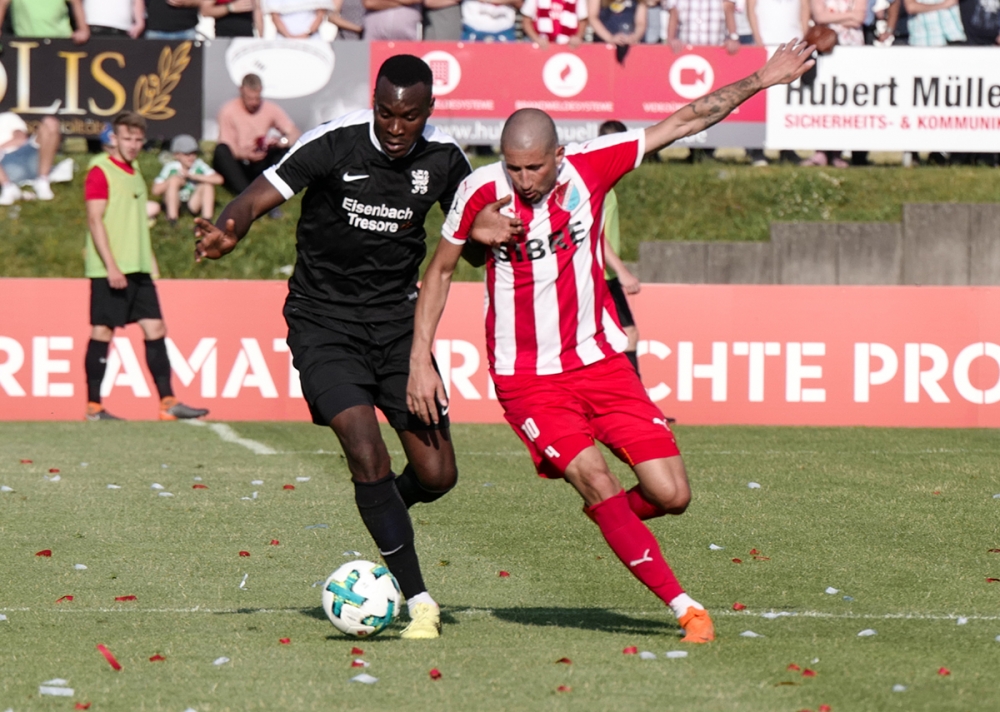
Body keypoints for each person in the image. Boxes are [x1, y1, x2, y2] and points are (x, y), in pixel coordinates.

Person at [407, 40, 815, 645]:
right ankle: (685, 608)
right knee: (596, 477)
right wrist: (420, 360)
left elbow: (685, 120)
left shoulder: (593, 164)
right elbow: (439, 271)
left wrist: (760, 78)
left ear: (559, 155)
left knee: (672, 495)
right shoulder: (480, 193)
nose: (523, 180)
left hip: (601, 362)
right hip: (527, 379)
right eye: (514, 168)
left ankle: (611, 516)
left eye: (534, 168)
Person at [193, 55, 473, 640]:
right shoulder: (334, 143)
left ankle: (383, 513)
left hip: (398, 329)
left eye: (409, 116)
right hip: (322, 323)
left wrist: (490, 235)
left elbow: (469, 242)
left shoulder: (445, 159)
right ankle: (419, 600)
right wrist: (228, 227)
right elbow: (257, 195)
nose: (395, 127)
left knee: (438, 474)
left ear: (429, 110)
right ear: (373, 104)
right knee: (365, 450)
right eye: (385, 113)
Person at [83, 112, 209, 422]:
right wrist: (111, 266)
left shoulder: (136, 170)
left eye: (139, 139)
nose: (133, 145)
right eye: (127, 138)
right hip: (112, 267)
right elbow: (95, 220)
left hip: (138, 267)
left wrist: (148, 258)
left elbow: (134, 221)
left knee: (156, 328)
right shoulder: (100, 170)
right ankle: (94, 406)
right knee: (103, 330)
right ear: (114, 138)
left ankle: (168, 402)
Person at [596, 120, 642, 375]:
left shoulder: (605, 181)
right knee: (626, 335)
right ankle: (633, 399)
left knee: (627, 335)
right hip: (599, 276)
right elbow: (593, 233)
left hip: (605, 275)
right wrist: (623, 272)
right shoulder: (598, 184)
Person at [212, 74, 301, 198]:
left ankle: (273, 189)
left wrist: (281, 142)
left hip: (261, 161)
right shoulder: (228, 110)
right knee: (221, 151)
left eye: (257, 98)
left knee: (282, 151)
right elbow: (226, 144)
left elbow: (294, 132)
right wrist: (246, 154)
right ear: (241, 91)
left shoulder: (270, 108)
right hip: (239, 161)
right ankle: (246, 194)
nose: (253, 103)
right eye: (249, 98)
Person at [152, 134, 224, 225]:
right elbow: (155, 190)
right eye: (186, 154)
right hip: (175, 201)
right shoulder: (170, 167)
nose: (191, 157)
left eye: (194, 153)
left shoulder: (198, 165)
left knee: (207, 184)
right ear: (177, 155)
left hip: (192, 202)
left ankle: (207, 219)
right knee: (174, 181)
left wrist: (194, 176)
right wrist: (173, 181)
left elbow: (219, 179)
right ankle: (172, 218)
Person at [0, 113, 63, 206]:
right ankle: (8, 188)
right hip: (5, 167)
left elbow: (20, 138)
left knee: (50, 123)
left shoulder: (7, 117)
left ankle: (43, 181)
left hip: (26, 155)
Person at [665, 0, 741, 54]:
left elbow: (729, 12)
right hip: (685, 52)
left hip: (716, 51)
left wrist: (733, 38)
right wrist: (672, 39)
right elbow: (673, 16)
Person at [0, 0, 89, 42]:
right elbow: (2, 4)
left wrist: (83, 29)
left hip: (60, 41)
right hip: (26, 43)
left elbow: (76, 3)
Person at [521, 0, 589, 45]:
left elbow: (583, 20)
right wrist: (537, 39)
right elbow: (526, 20)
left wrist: (577, 37)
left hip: (568, 47)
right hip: (542, 46)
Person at [266, 0, 333, 37]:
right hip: (283, 39)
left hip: (312, 39)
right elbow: (275, 16)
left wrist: (307, 34)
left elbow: (320, 14)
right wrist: (289, 36)